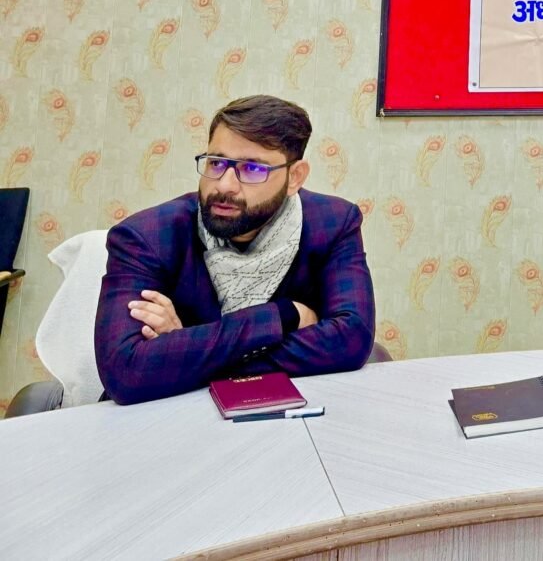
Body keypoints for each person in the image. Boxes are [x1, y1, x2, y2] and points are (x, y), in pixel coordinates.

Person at [95, 95, 375, 404]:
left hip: (289, 415)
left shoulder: (334, 223)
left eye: (252, 168)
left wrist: (184, 346)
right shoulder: (146, 236)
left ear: (294, 177)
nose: (225, 185)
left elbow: (352, 339)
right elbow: (125, 373)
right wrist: (284, 315)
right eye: (216, 163)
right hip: (159, 419)